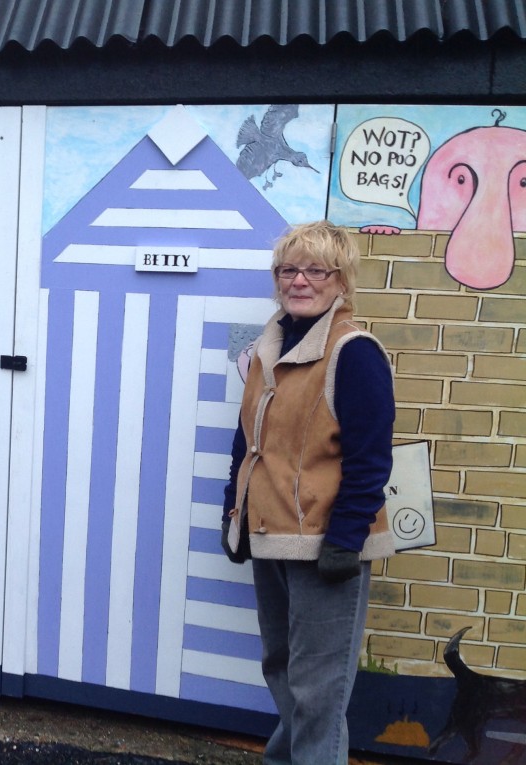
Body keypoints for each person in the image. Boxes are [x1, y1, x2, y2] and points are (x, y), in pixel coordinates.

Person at [221, 221, 395, 765]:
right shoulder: (267, 349)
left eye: (315, 269)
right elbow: (248, 439)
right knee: (282, 668)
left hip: (326, 544)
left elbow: (370, 459)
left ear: (340, 280)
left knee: (320, 688)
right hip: (271, 536)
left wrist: (346, 538)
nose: (299, 280)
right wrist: (235, 513)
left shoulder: (354, 353)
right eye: (288, 269)